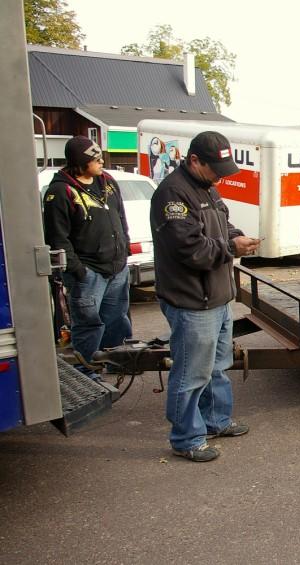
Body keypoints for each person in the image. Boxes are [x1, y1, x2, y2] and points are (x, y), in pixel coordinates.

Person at [150, 131, 261, 462]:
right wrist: (231, 248)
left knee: (216, 367)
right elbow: (189, 248)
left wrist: (237, 236)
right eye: (216, 168)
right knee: (191, 373)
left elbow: (222, 224)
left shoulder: (207, 188)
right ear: (194, 160)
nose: (221, 175)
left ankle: (215, 420)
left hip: (216, 297)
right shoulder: (173, 193)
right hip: (191, 301)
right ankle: (186, 438)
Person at [43, 136, 132, 368]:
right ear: (81, 163)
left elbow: (121, 216)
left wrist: (125, 248)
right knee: (89, 325)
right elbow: (57, 238)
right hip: (88, 273)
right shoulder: (60, 191)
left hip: (117, 268)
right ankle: (87, 371)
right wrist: (78, 270)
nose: (102, 161)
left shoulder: (108, 181)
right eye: (95, 158)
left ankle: (117, 364)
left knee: (117, 321)